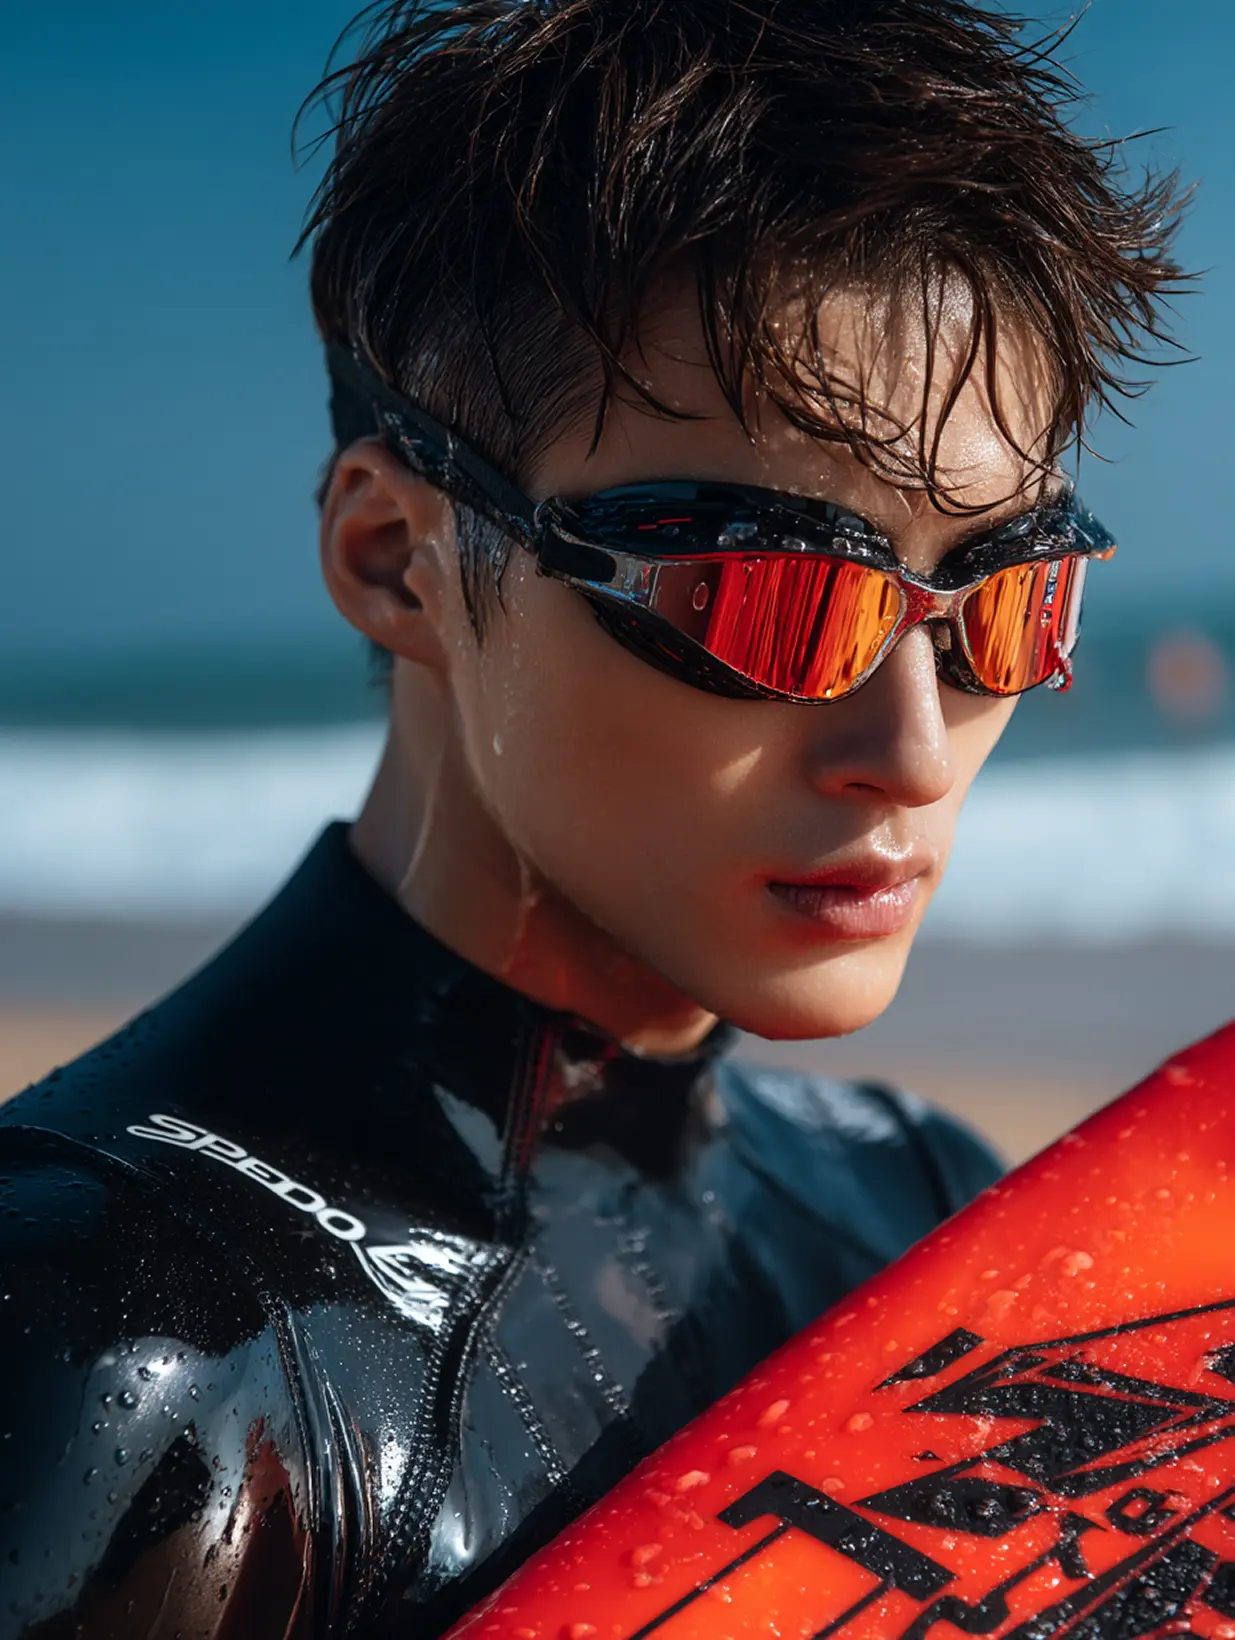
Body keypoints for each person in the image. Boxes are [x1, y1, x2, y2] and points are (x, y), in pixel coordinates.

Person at [0, 1, 1184, 1635]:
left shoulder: (923, 1206)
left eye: (1010, 603)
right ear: (394, 560)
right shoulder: (118, 1349)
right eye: (770, 600)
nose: (912, 751)